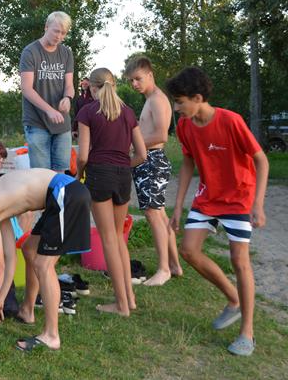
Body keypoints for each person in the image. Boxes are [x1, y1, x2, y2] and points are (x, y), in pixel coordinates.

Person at [166, 67, 268, 356]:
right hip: (208, 197)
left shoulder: (231, 121)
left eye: (180, 101)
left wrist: (258, 204)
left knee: (239, 260)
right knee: (188, 251)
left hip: (238, 198)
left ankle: (247, 333)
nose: (176, 108)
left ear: (198, 98)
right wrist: (178, 206)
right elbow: (188, 162)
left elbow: (261, 160)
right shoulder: (185, 126)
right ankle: (234, 300)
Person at [0, 168, 90, 351]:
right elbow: (9, 258)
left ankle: (51, 336)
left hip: (65, 192)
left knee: (43, 265)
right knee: (29, 249)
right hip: (59, 195)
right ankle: (27, 311)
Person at [75, 68, 146, 316]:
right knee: (118, 238)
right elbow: (142, 154)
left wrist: (77, 175)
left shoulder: (87, 112)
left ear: (93, 88)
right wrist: (123, 165)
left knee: (108, 240)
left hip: (99, 175)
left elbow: (83, 156)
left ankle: (121, 305)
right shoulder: (128, 112)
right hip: (123, 175)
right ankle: (130, 299)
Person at [125, 56, 182, 286]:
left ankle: (163, 269)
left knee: (152, 214)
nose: (134, 84)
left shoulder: (157, 99)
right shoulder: (150, 99)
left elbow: (160, 135)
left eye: (138, 79)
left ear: (150, 75)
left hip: (153, 161)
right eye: (131, 80)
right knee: (160, 215)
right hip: (148, 161)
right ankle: (175, 265)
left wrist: (132, 146)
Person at [20, 11, 75, 171]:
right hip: (37, 122)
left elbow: (69, 85)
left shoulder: (66, 53)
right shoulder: (30, 52)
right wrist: (49, 110)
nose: (59, 36)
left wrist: (68, 98)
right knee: (41, 174)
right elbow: (26, 89)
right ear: (46, 27)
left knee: (60, 173)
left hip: (62, 123)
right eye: (56, 31)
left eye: (63, 33)